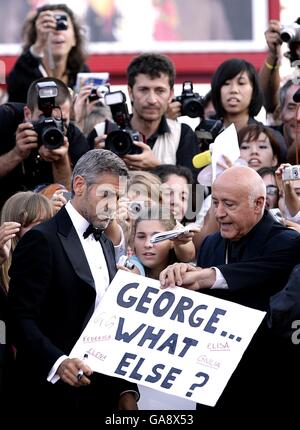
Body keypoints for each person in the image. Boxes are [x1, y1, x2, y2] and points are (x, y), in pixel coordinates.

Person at [160, 166, 300, 422]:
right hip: (212, 386)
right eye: (215, 203)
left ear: (259, 204)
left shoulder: (287, 243)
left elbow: (250, 273)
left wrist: (203, 276)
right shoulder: (212, 243)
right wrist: (180, 275)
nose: (220, 213)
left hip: (267, 387)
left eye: (229, 204)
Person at [7, 149, 138, 423]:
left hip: (100, 394)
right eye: (106, 195)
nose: (112, 205)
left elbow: (108, 320)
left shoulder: (103, 241)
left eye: (118, 197)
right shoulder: (42, 240)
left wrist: (126, 388)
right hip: (49, 397)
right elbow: (20, 318)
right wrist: (58, 362)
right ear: (79, 185)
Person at [92, 53, 199, 179]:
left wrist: (157, 167)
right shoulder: (101, 132)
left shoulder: (182, 134)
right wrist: (95, 163)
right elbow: (77, 189)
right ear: (130, 92)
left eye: (160, 91)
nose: (152, 99)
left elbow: (195, 195)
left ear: (170, 95)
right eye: (144, 90)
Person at [0, 77, 90, 208]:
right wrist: (16, 154)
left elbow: (74, 204)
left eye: (61, 121)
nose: (51, 126)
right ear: (27, 114)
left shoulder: (75, 138)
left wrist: (61, 161)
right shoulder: (6, 120)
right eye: (43, 119)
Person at [6, 3, 89, 103]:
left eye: (63, 25)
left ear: (75, 39)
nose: (57, 31)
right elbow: (14, 85)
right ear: (36, 36)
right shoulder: (25, 69)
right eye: (48, 26)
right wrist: (39, 45)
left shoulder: (81, 73)